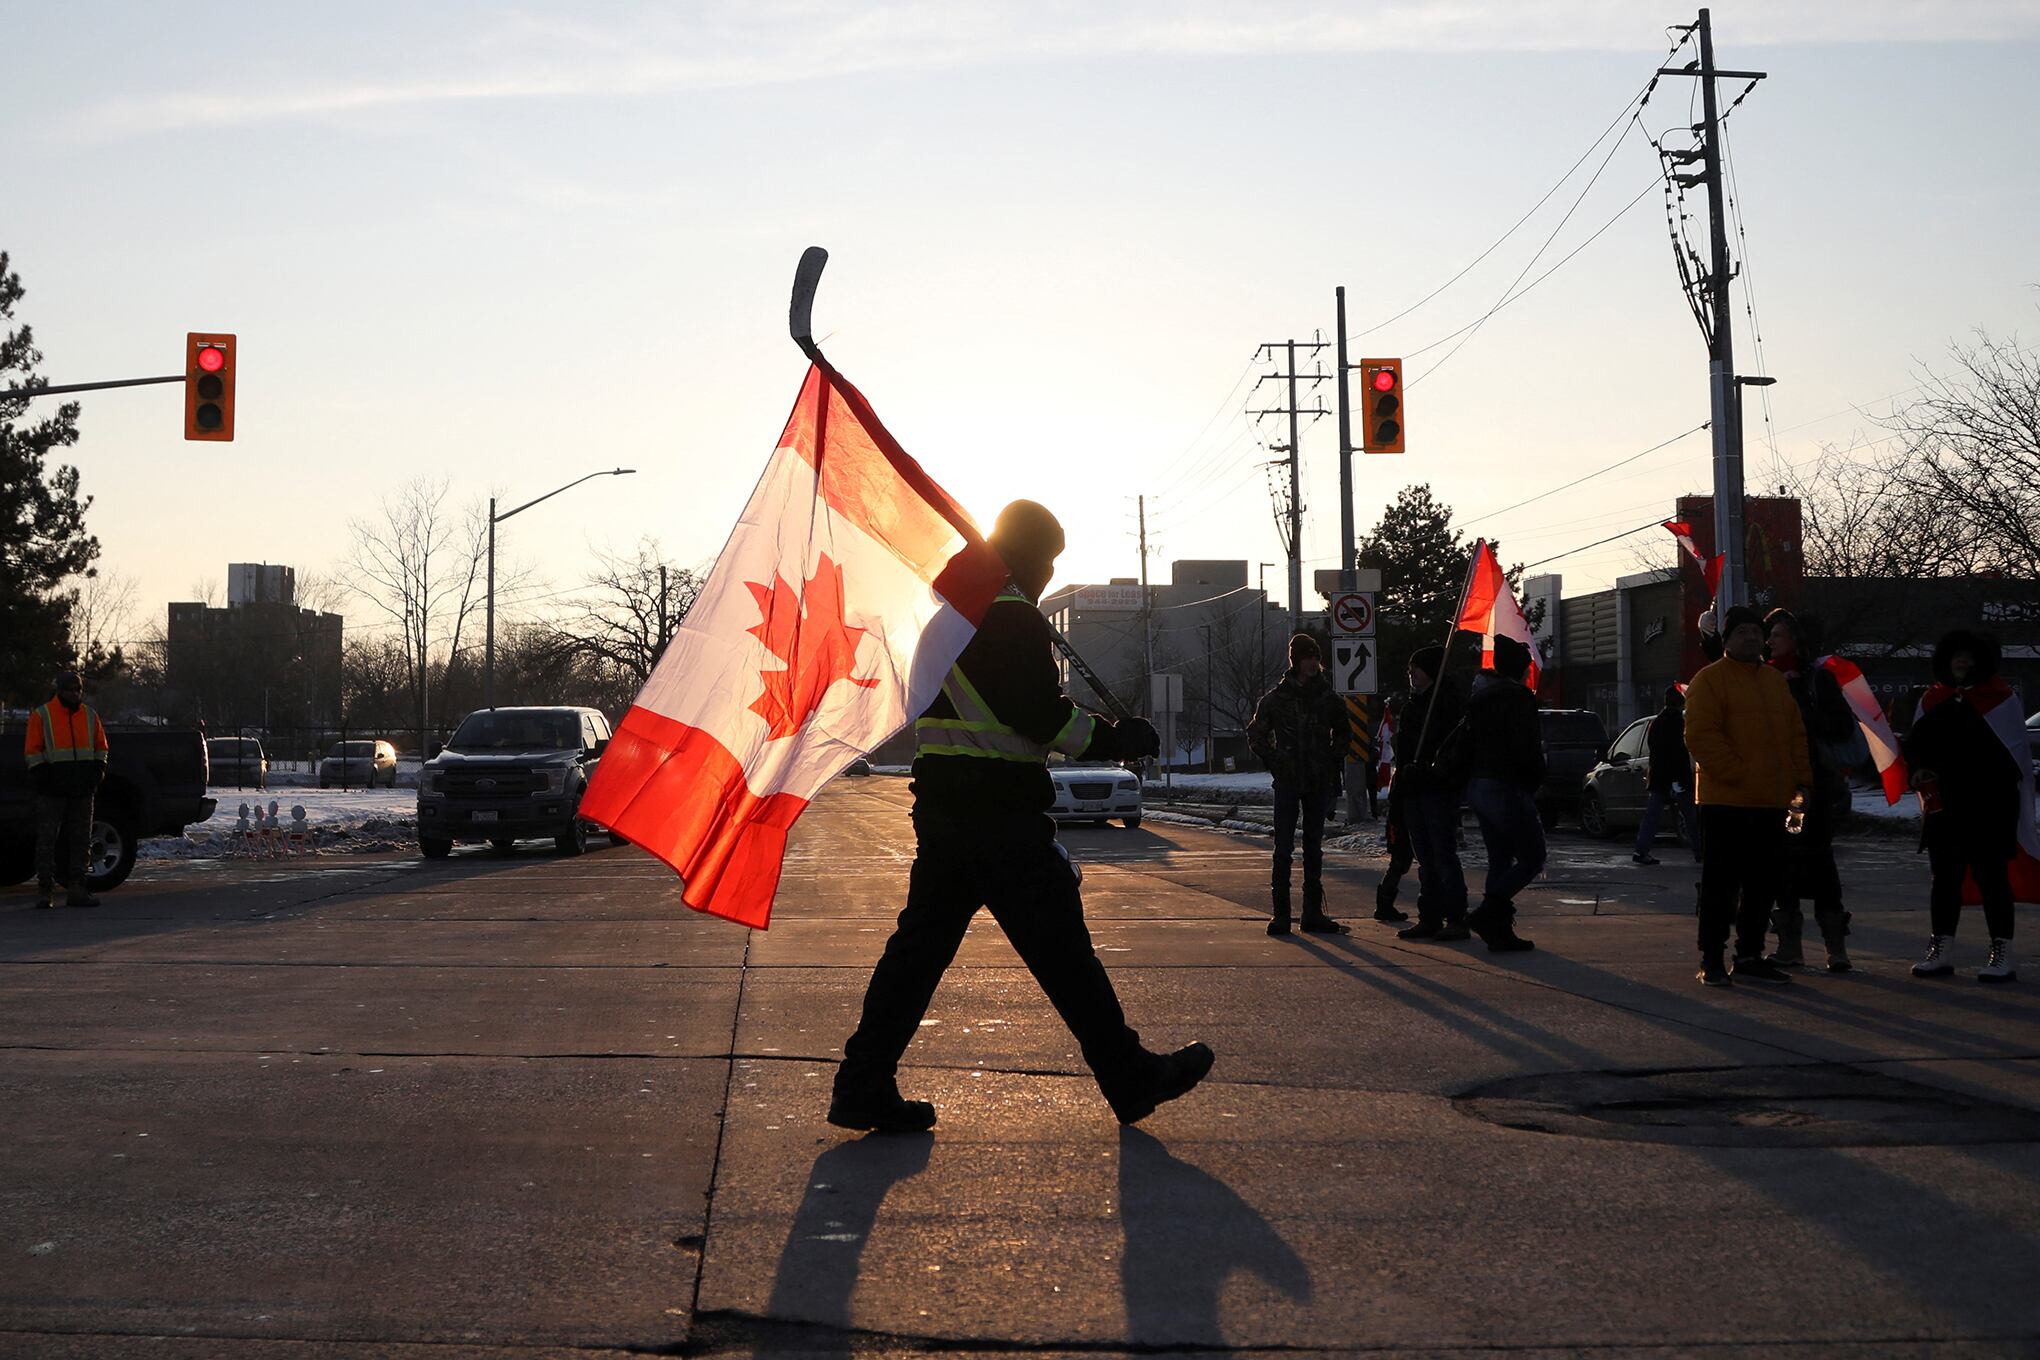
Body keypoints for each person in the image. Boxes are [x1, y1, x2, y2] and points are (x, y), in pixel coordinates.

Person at [831, 501, 1214, 1133]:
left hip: (948, 816)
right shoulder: (1012, 620)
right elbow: (1043, 717)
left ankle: (862, 1081)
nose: (1046, 576)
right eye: (1047, 562)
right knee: (1064, 954)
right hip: (1003, 819)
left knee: (917, 956)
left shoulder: (948, 623)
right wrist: (1117, 739)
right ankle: (1130, 1075)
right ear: (1027, 559)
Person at [1682, 605, 1812, 987]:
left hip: (1772, 802)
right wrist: (1738, 775)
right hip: (1726, 802)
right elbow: (1701, 736)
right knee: (1720, 887)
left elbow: (1795, 737)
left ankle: (1751, 955)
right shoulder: (1709, 680)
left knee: (1762, 884)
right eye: (1743, 633)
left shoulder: (1774, 682)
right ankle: (1712, 958)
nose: (1752, 638)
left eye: (1757, 633)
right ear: (1727, 639)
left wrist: (1801, 783)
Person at [1902, 630, 2024, 984]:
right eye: (1956, 655)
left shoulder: (2001, 700)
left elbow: (2013, 754)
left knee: (1992, 879)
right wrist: (1918, 771)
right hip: (1945, 806)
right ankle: (1940, 950)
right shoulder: (1932, 699)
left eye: (1969, 656)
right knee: (1944, 879)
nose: (1962, 661)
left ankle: (2002, 952)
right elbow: (1916, 747)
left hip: (1991, 806)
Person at [1762, 609, 1856, 972]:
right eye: (1770, 634)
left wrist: (1799, 711)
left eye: (1778, 634)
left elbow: (1840, 727)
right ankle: (1790, 945)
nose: (1771, 640)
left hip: (1808, 788)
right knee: (1782, 864)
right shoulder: (1763, 677)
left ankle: (1836, 947)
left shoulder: (1817, 679)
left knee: (1818, 862)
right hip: (1773, 786)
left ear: (1797, 640)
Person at [1246, 633, 1350, 936]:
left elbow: (1344, 733)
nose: (1313, 664)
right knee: (1283, 848)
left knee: (1314, 848)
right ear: (1296, 661)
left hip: (1318, 780)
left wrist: (1332, 759)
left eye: (1316, 658)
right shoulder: (1276, 699)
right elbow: (1256, 735)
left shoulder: (1328, 698)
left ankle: (1312, 913)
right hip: (1288, 780)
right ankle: (1281, 915)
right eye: (1307, 658)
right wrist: (1277, 759)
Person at [1461, 635, 1544, 952]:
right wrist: (1536, 779)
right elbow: (1526, 747)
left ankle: (1499, 931)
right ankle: (1488, 912)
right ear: (1523, 670)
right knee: (1533, 857)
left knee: (1500, 858)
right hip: (1506, 785)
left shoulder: (1480, 699)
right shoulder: (1519, 698)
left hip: (1479, 786)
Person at [1392, 645, 1471, 942]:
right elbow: (1403, 751)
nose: (1411, 673)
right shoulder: (1413, 706)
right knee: (1425, 857)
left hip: (1438, 791)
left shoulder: (1448, 705)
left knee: (1442, 854)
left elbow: (1453, 754)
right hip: (1413, 789)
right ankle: (1430, 916)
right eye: (1409, 668)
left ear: (1432, 671)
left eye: (1417, 667)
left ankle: (1456, 917)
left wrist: (1429, 770)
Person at [23, 670, 110, 910]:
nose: (75, 693)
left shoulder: (89, 716)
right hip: (52, 791)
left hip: (82, 790)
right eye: (70, 689)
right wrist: (44, 778)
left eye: (78, 689)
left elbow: (101, 747)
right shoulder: (42, 715)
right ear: (59, 691)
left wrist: (97, 772)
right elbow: (33, 751)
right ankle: (45, 891)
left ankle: (77, 889)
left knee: (81, 841)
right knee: (47, 841)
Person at [1633, 685, 1699, 867]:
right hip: (1678, 778)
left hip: (1659, 777)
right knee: (1690, 817)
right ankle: (1700, 852)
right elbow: (1681, 752)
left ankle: (1641, 850)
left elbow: (1654, 749)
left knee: (1652, 816)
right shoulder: (1680, 722)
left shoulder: (1657, 723)